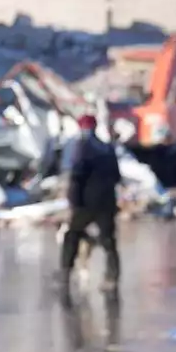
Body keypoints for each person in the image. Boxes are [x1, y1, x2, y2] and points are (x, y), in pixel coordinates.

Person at [61, 114, 122, 293]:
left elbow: (76, 176)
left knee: (71, 236)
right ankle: (112, 278)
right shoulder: (107, 148)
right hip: (107, 202)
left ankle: (65, 274)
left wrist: (73, 201)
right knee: (109, 241)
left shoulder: (81, 148)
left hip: (85, 203)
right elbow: (117, 176)